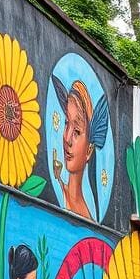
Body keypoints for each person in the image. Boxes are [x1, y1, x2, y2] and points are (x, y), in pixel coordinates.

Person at [51, 76, 109, 220]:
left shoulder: (90, 217)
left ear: (89, 151)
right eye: (66, 123)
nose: (66, 138)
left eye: (76, 131)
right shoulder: (57, 189)